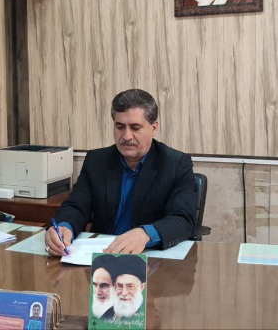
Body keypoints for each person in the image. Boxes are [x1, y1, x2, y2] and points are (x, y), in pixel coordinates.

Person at [45, 89, 197, 256]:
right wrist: (64, 226)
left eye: (135, 128)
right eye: (120, 127)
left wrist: (146, 234)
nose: (126, 136)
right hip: (101, 255)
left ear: (154, 128)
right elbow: (76, 205)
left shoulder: (176, 163)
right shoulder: (97, 160)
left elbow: (183, 219)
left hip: (150, 257)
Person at [100, 255, 146, 320]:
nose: (124, 293)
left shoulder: (149, 311)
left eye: (130, 286)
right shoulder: (107, 315)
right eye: (119, 286)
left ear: (141, 287)